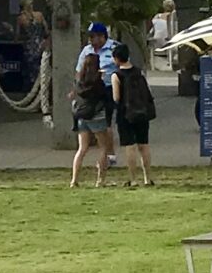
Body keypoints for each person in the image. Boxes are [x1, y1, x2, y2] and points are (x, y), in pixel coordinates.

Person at [68, 25, 116, 189]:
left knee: (82, 147)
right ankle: (100, 179)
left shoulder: (114, 47)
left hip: (82, 111)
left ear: (103, 36)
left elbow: (79, 76)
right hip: (97, 109)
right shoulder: (99, 83)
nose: (91, 41)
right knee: (102, 145)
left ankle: (74, 180)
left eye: (94, 36)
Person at [111, 40, 160, 187]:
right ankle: (147, 177)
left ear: (117, 58)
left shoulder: (116, 75)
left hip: (125, 115)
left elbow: (116, 97)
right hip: (142, 113)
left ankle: (133, 179)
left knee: (130, 147)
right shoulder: (139, 72)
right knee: (144, 145)